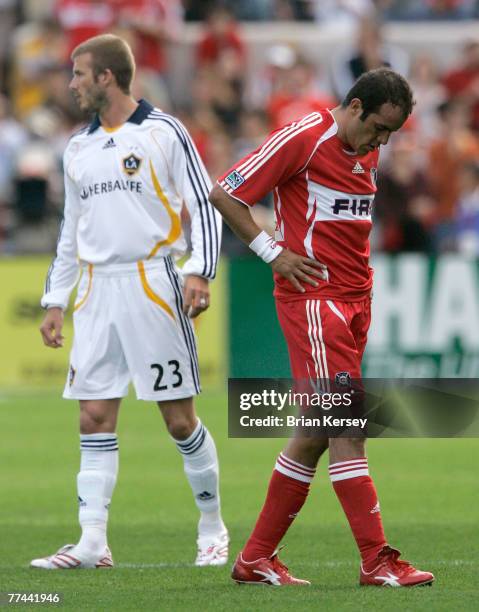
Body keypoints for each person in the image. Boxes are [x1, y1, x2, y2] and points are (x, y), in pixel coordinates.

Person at [209, 67, 434, 587]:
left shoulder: (366, 148)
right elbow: (227, 193)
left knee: (313, 432)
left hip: (357, 300)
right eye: (378, 128)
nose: (381, 141)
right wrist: (272, 252)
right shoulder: (305, 137)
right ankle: (377, 560)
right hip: (317, 300)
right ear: (354, 107)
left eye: (390, 134)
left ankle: (255, 558)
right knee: (347, 426)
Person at [31, 34, 227, 570]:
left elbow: (204, 206)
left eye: (78, 74)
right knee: (93, 414)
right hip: (95, 288)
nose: (70, 84)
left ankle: (212, 528)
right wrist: (55, 299)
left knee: (179, 420)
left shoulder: (163, 132)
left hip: (152, 281)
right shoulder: (77, 147)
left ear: (106, 78)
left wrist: (200, 271)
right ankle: (93, 543)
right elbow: (71, 230)